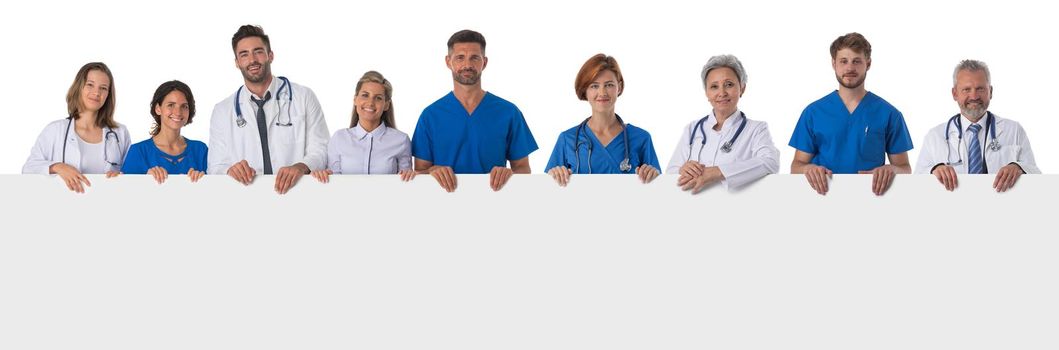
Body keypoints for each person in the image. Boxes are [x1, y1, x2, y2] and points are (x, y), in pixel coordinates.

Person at [411, 29, 538, 192]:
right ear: (448, 61)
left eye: (474, 58)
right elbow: (419, 171)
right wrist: (432, 171)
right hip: (443, 207)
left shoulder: (509, 113)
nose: (467, 65)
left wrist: (509, 173)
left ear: (484, 62)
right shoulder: (430, 116)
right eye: (460, 58)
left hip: (495, 205)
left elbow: (523, 169)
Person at [207, 24, 329, 194]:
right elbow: (215, 166)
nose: (252, 60)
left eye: (258, 51)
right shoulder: (222, 111)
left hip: (297, 194)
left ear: (270, 56)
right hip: (246, 197)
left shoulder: (304, 97)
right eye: (244, 54)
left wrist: (301, 167)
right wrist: (230, 170)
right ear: (237, 63)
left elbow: (321, 148)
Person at [789, 32, 913, 196]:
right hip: (822, 198)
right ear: (834, 64)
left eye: (857, 61)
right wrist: (808, 169)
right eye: (843, 61)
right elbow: (796, 166)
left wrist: (891, 170)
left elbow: (905, 168)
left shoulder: (889, 114)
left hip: (871, 199)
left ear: (868, 64)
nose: (849, 68)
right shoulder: (813, 113)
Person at [914, 59, 1039, 192]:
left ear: (990, 91)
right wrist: (933, 170)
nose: (974, 96)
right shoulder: (935, 136)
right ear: (954, 93)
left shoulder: (1014, 130)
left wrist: (1019, 167)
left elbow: (1037, 177)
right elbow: (915, 183)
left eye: (980, 89)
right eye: (966, 89)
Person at [665, 54, 779, 193]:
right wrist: (682, 169)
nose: (722, 93)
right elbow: (670, 174)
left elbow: (770, 163)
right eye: (714, 86)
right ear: (706, 93)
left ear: (742, 88)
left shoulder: (756, 129)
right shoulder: (692, 129)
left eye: (729, 85)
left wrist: (717, 172)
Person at [545, 54, 660, 186]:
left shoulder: (640, 138)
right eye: (594, 86)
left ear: (619, 87)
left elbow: (658, 191)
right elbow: (547, 191)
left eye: (609, 85)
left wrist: (654, 177)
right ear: (585, 90)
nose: (602, 92)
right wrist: (553, 176)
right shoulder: (567, 139)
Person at [23, 62, 131, 193]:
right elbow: (28, 168)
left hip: (109, 203)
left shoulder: (120, 132)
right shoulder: (55, 130)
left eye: (103, 88)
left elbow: (131, 173)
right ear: (79, 87)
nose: (96, 92)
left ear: (108, 95)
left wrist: (122, 176)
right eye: (90, 85)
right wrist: (58, 167)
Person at [311, 71, 415, 183]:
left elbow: (405, 185)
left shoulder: (401, 140)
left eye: (378, 98)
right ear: (355, 99)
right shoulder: (339, 139)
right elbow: (334, 181)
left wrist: (409, 175)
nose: (370, 103)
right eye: (365, 95)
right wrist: (321, 175)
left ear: (386, 105)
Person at [121, 80, 208, 184]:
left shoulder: (200, 150)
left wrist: (205, 181)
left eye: (184, 106)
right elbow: (126, 194)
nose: (178, 112)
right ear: (158, 109)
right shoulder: (138, 151)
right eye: (171, 105)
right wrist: (145, 181)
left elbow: (215, 191)